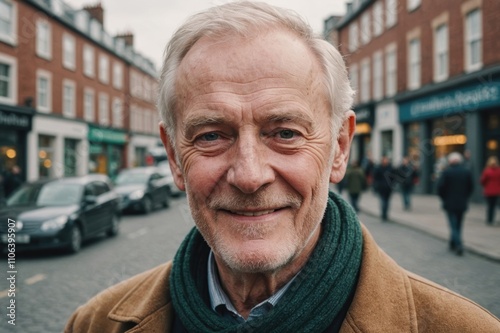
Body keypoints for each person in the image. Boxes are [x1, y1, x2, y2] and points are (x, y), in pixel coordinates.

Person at [64, 2, 500, 332]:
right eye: (211, 136)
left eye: (285, 133)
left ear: (340, 148)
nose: (250, 175)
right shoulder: (95, 324)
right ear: (175, 158)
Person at [437, 152, 474, 256]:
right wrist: (465, 197)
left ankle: (458, 244)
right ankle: (453, 243)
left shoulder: (447, 172)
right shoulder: (466, 172)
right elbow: (471, 187)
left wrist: (444, 198)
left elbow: (440, 188)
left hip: (450, 203)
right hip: (462, 202)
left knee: (453, 225)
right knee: (458, 224)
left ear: (450, 161)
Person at [372, 156, 396, 221]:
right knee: (383, 201)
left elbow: (394, 177)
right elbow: (375, 178)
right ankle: (383, 214)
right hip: (381, 188)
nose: (385, 161)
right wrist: (376, 186)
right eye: (384, 160)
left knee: (387, 201)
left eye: (386, 160)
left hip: (388, 188)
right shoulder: (378, 168)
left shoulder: (391, 168)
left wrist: (392, 184)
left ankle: (385, 214)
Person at [480, 156, 500, 225]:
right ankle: (492, 219)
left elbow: (482, 181)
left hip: (488, 191)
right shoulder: (498, 170)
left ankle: (489, 220)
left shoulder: (487, 171)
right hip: (496, 191)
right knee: (494, 206)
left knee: (489, 206)